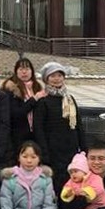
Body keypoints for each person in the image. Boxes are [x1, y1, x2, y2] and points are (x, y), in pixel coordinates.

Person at [34, 61, 86, 195]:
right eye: (53, 76)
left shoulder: (69, 99)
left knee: (72, 185)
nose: (57, 79)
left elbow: (78, 125)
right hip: (53, 151)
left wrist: (84, 148)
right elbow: (39, 129)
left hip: (70, 149)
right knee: (56, 186)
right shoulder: (43, 101)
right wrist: (44, 153)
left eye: (59, 75)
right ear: (46, 79)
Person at [1, 57, 45, 153]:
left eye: (27, 69)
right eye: (21, 69)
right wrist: (34, 99)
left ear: (32, 71)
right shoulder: (12, 89)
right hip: (18, 135)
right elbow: (17, 113)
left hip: (37, 134)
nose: (24, 72)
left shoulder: (37, 87)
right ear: (16, 72)